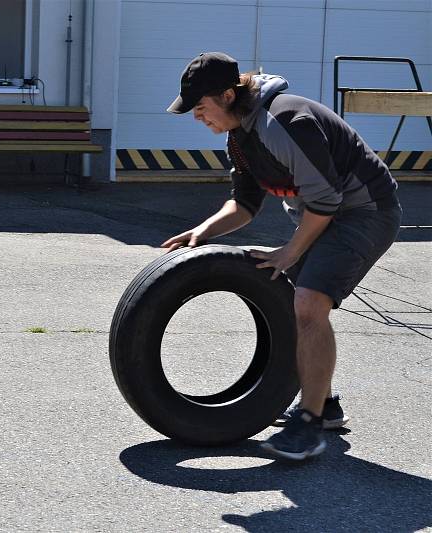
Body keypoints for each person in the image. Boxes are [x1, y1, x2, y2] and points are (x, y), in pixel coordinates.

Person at [162, 52, 402, 460]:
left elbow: (327, 199)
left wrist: (290, 251)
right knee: (294, 301)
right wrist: (202, 232)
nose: (198, 118)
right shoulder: (240, 138)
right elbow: (244, 204)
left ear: (227, 95)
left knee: (309, 303)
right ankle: (324, 405)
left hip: (364, 212)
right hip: (326, 214)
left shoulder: (283, 121)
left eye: (201, 108)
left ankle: (309, 425)